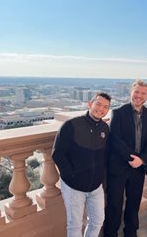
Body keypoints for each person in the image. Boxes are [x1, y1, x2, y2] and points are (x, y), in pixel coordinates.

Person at [52, 92, 111, 237]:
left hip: (96, 187)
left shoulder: (105, 128)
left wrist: (101, 176)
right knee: (75, 225)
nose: (101, 109)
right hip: (74, 187)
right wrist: (71, 176)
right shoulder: (71, 125)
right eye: (98, 104)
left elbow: (106, 155)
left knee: (97, 221)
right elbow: (57, 153)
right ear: (90, 104)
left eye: (105, 107)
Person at [104, 80, 147, 237]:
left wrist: (142, 159)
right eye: (137, 92)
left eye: (143, 93)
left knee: (133, 203)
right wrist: (131, 158)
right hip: (119, 166)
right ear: (131, 92)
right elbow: (115, 139)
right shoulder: (118, 112)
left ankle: (130, 232)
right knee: (114, 204)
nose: (139, 96)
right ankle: (110, 233)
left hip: (139, 168)